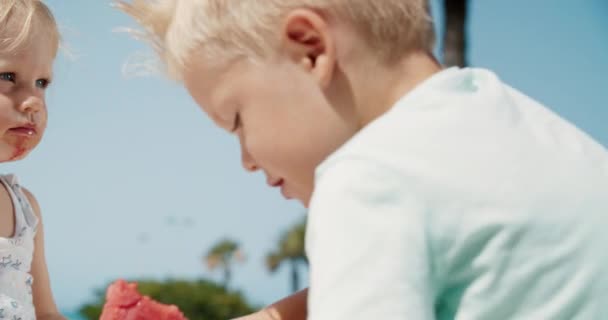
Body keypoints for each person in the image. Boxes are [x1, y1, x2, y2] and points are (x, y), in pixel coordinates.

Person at [116, 0, 608, 319]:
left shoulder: (367, 180)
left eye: (237, 120)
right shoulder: (518, 124)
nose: (245, 160)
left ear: (311, 50)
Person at [0, 1, 66, 319]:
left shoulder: (25, 210)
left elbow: (47, 315)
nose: (33, 102)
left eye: (42, 83)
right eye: (7, 76)